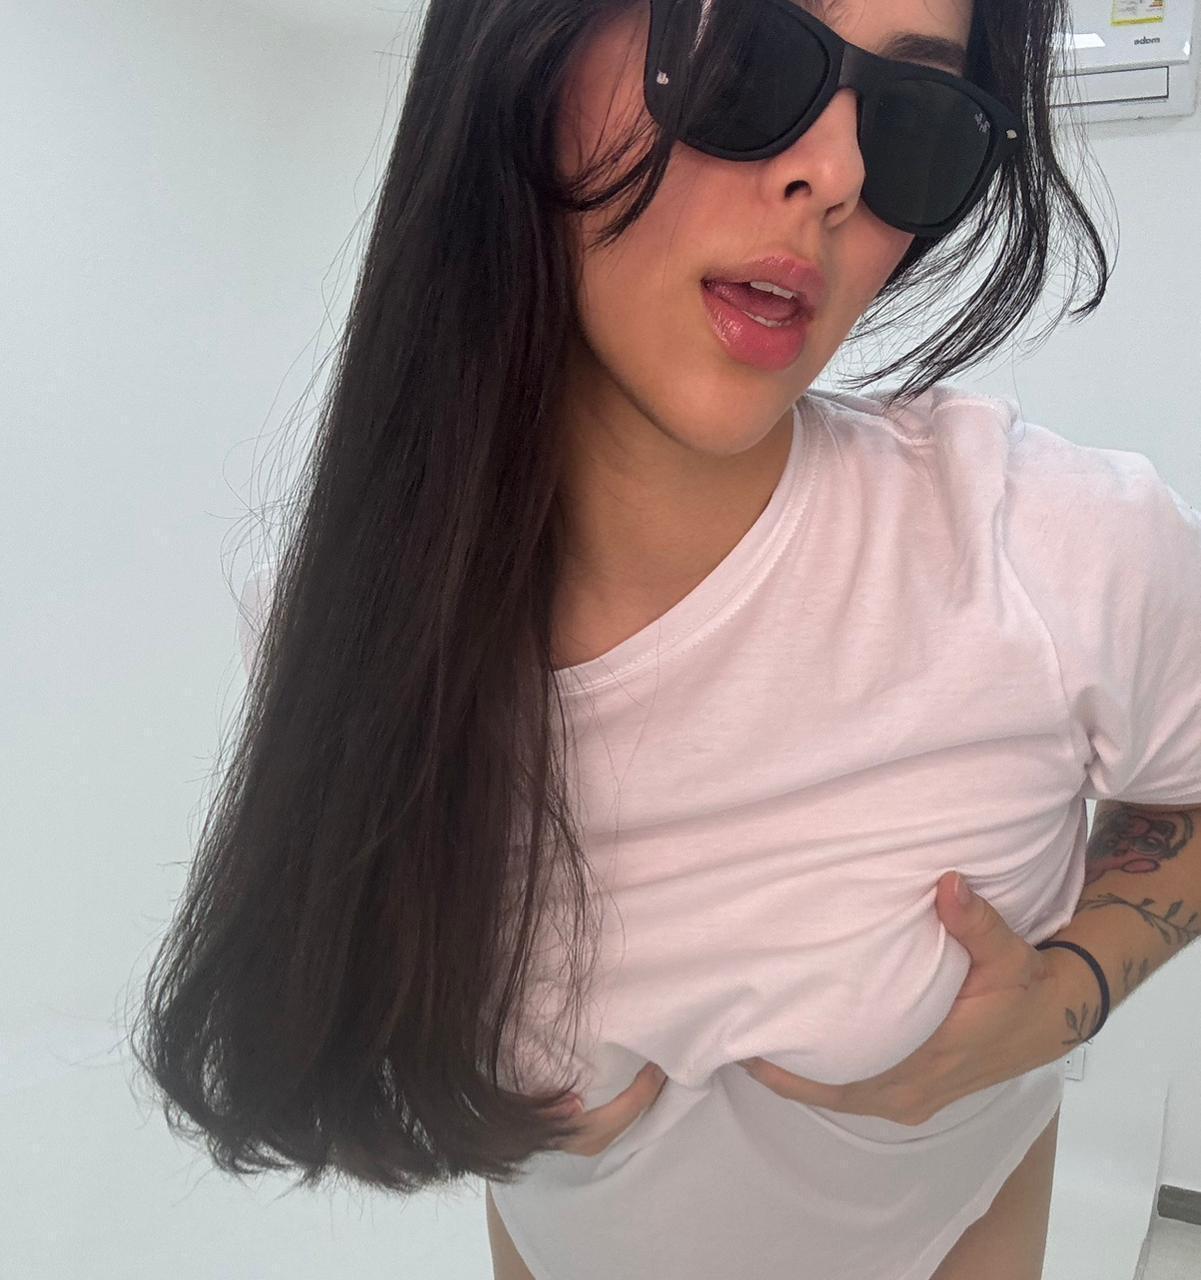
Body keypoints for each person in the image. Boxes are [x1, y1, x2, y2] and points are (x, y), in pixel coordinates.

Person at [132, 0, 1201, 1275]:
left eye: (911, 116)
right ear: (523, 55)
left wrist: (1069, 992)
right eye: (742, 53)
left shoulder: (1054, 544)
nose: (838, 172)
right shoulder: (348, 632)